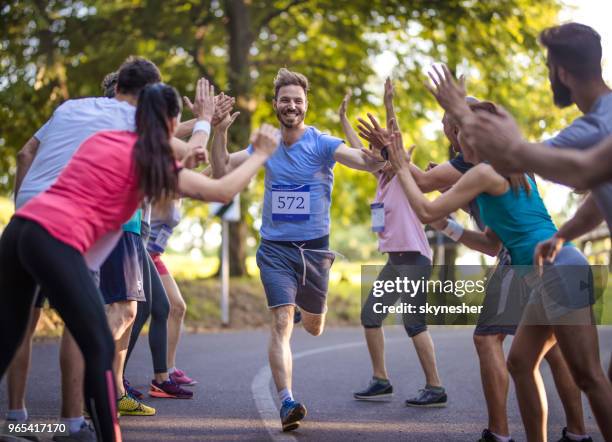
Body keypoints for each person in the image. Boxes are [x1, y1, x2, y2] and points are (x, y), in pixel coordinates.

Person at [0, 77, 279, 442]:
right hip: (55, 239)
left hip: (20, 228)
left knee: (8, 337)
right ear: (168, 125)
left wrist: (205, 123)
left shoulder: (104, 138)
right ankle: (88, 433)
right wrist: (259, 154)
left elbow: (191, 151)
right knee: (99, 344)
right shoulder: (151, 162)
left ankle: (48, 425)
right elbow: (221, 189)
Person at [376, 71, 612, 441]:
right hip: (543, 273)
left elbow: (423, 209)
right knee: (520, 363)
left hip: (560, 270)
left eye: (463, 132)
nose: (456, 140)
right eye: (455, 132)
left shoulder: (484, 172)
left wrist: (398, 160)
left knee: (590, 376)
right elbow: (491, 243)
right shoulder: (505, 171)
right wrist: (448, 225)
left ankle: (578, 433)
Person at [209, 68, 387, 432]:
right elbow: (220, 168)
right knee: (279, 323)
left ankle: (299, 310)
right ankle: (287, 400)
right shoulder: (266, 145)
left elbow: (368, 164)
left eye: (297, 101)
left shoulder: (322, 143)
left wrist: (382, 149)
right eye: (285, 100)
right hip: (275, 249)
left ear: (305, 106)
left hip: (314, 252)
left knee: (315, 326)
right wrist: (220, 131)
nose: (291, 105)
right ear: (275, 104)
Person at [339, 82, 447, 407]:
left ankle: (435, 387)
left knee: (414, 323)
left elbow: (393, 137)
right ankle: (380, 379)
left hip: (414, 260)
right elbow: (358, 147)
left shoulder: (404, 175)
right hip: (395, 261)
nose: (372, 154)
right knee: (371, 316)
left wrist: (389, 105)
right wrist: (342, 118)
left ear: (392, 152)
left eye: (380, 151)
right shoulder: (382, 179)